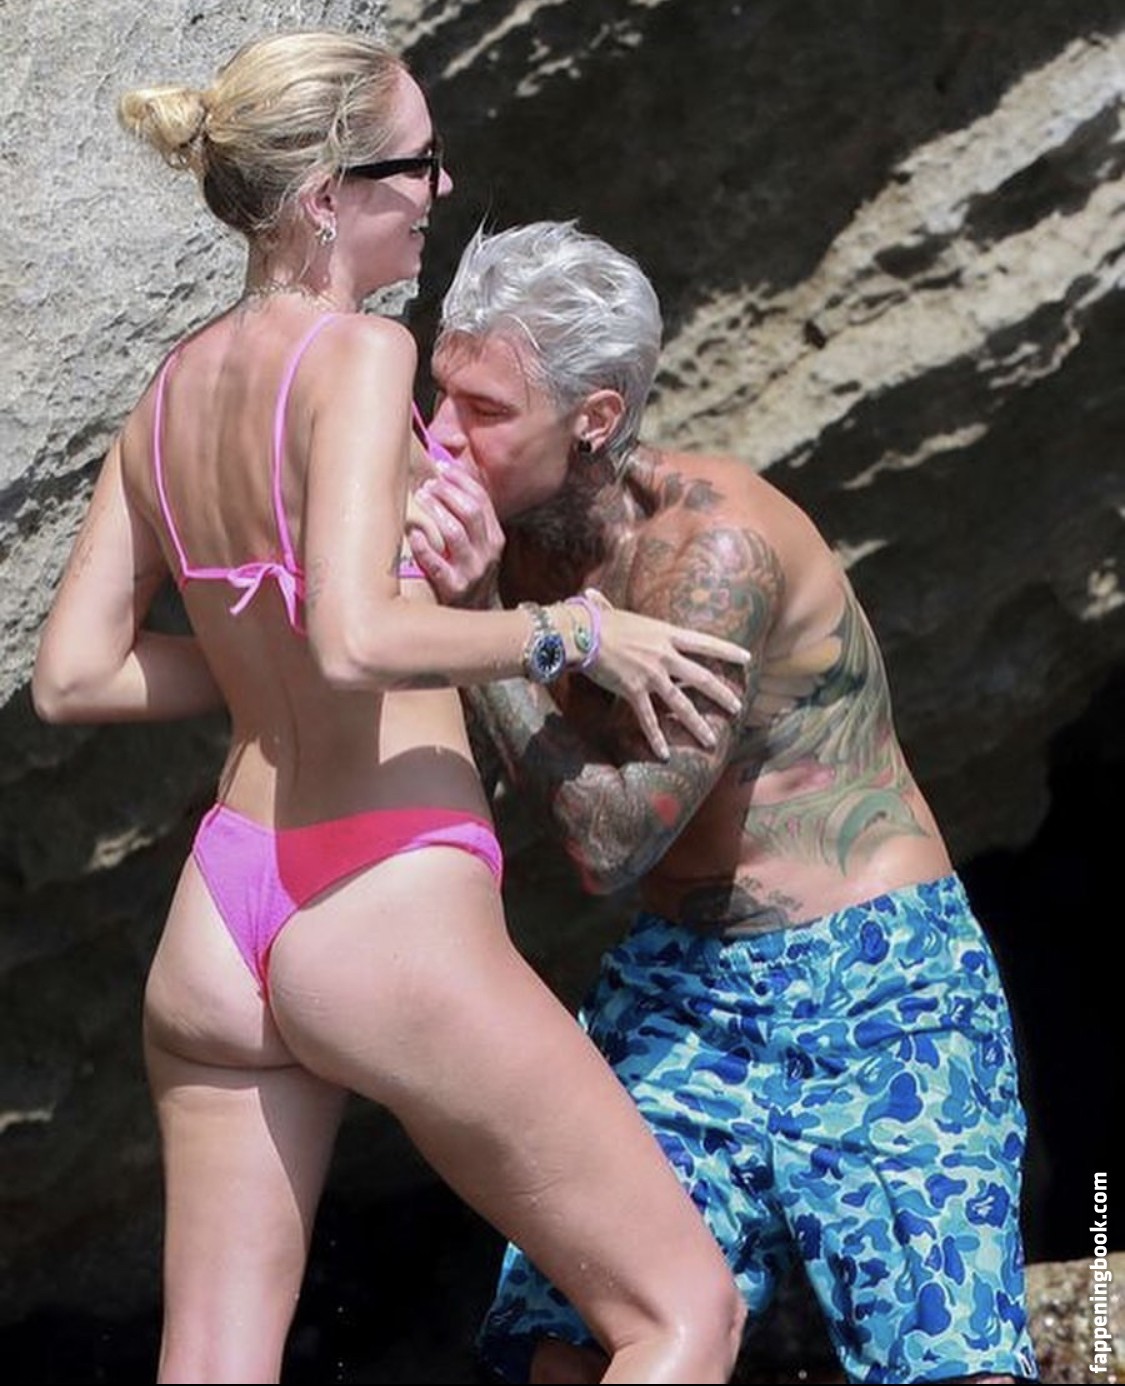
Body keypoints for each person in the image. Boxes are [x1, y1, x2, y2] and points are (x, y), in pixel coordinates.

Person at [30, 39, 753, 1385]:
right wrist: (573, 631)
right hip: (377, 895)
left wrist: (264, 659)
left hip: (220, 915)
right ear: (325, 196)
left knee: (211, 1364)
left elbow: (72, 676)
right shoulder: (359, 353)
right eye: (417, 162)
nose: (441, 186)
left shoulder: (165, 397)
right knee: (681, 1316)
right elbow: (357, 635)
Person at [405, 220, 1041, 1385]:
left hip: (872, 974)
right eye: (438, 394)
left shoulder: (713, 550)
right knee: (570, 1337)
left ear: (594, 417)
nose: (442, 434)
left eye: (485, 410)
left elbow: (610, 841)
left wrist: (485, 625)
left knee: (949, 1362)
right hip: (680, 979)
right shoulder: (495, 533)